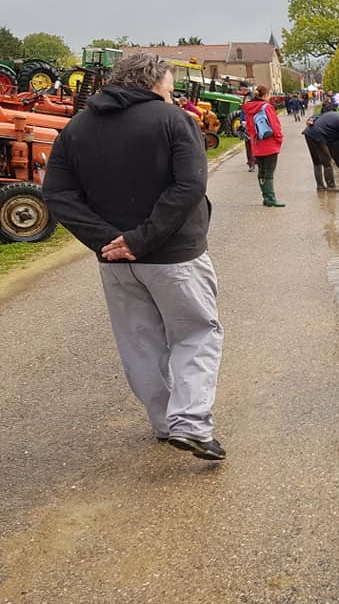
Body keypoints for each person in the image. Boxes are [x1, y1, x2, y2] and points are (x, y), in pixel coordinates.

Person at [41, 52, 226, 461]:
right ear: (154, 82)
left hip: (116, 260)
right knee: (195, 334)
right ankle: (191, 423)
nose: (172, 93)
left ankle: (164, 423)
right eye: (170, 86)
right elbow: (189, 186)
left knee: (140, 343)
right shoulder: (174, 120)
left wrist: (108, 240)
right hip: (176, 255)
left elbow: (57, 194)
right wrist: (140, 239)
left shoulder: (77, 128)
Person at [241, 85, 285, 207]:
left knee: (261, 171)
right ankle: (271, 198)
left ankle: (265, 197)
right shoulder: (267, 107)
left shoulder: (249, 108)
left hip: (256, 143)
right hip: (269, 143)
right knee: (269, 172)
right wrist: (279, 138)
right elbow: (275, 126)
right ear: (265, 95)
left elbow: (249, 128)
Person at [302, 110, 339, 190]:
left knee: (317, 162)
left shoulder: (336, 115)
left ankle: (320, 186)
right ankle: (331, 186)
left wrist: (311, 119)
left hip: (309, 133)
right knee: (327, 162)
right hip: (318, 136)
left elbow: (318, 115)